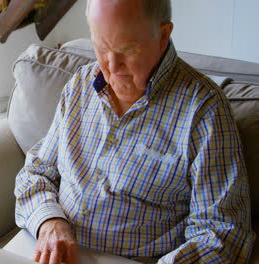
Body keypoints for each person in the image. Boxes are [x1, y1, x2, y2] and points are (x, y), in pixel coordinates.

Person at [14, 0, 256, 263]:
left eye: (127, 50)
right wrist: (49, 221)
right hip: (49, 248)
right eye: (101, 47)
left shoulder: (204, 111)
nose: (112, 66)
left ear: (163, 36)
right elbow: (37, 172)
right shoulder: (80, 86)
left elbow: (221, 233)